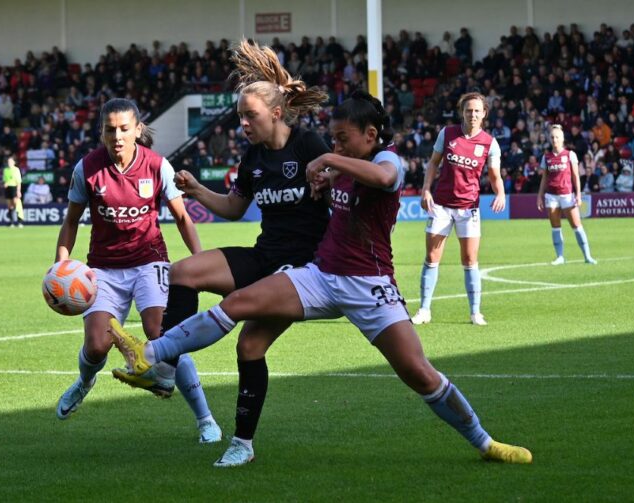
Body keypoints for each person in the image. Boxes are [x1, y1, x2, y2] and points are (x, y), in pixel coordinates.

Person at [108, 92, 532, 467]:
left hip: (371, 287)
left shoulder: (386, 159)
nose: (335, 144)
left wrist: (328, 162)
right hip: (321, 274)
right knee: (237, 308)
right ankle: (153, 356)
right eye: (332, 139)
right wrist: (324, 180)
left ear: (369, 134)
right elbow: (311, 193)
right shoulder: (330, 164)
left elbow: (385, 179)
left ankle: (485, 442)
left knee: (419, 373)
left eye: (343, 138)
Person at [109, 39, 332, 443]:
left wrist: (329, 182)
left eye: (251, 116)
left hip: (301, 271)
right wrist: (195, 190)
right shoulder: (254, 158)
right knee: (183, 272)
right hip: (266, 258)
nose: (243, 124)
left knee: (249, 345)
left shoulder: (309, 146)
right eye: (240, 117)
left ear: (277, 113)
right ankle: (164, 368)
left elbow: (337, 194)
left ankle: (241, 443)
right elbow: (233, 207)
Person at [54, 98, 222, 444]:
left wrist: (201, 262)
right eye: (110, 129)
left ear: (137, 130)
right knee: (97, 345)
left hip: (150, 261)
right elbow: (71, 220)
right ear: (101, 132)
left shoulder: (157, 166)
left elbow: (182, 217)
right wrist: (62, 264)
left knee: (163, 334)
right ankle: (85, 381)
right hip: (104, 268)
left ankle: (205, 418)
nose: (117, 136)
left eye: (124, 129)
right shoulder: (86, 168)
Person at [410, 92, 506, 327]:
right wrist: (426, 189)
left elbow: (495, 176)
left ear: (484, 114)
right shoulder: (447, 133)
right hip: (441, 206)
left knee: (470, 259)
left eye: (477, 111)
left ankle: (475, 312)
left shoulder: (490, 143)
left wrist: (500, 193)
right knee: (432, 257)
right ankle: (424, 310)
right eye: (468, 110)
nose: (472, 114)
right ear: (462, 112)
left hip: (468, 209)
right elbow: (433, 163)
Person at [536, 125, 597, 265]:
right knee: (555, 227)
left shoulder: (570, 155)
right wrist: (540, 196)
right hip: (551, 196)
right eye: (552, 137)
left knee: (576, 225)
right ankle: (560, 257)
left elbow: (576, 176)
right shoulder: (546, 157)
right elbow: (544, 178)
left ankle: (587, 256)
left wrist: (578, 195)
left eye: (557, 137)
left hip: (567, 195)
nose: (554, 140)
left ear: (562, 139)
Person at [2, 155, 23, 227]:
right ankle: (11, 222)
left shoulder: (16, 170)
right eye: (8, 162)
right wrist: (5, 183)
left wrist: (18, 191)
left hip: (14, 188)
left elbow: (19, 182)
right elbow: (5, 180)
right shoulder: (5, 170)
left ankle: (19, 222)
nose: (9, 163)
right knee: (9, 206)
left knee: (16, 204)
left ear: (14, 162)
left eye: (10, 161)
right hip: (8, 189)